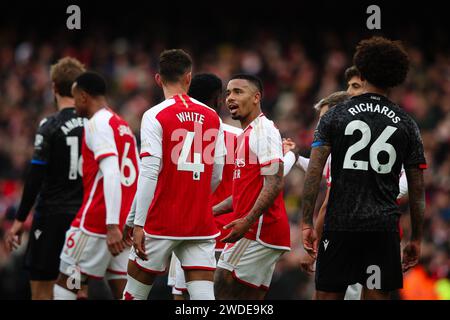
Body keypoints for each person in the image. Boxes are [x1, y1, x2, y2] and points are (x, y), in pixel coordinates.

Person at [300, 36, 427, 300]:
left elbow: (314, 172)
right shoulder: (407, 123)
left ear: (363, 70)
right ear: (396, 77)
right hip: (383, 229)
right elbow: (417, 190)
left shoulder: (335, 115)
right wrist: (416, 237)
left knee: (326, 296)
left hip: (339, 225)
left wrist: (305, 222)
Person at [122, 50, 226, 300]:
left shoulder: (155, 115)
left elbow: (149, 172)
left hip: (160, 222)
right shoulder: (213, 117)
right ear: (189, 78)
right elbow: (217, 173)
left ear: (158, 79)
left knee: (134, 294)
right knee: (203, 299)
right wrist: (196, 197)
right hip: (199, 224)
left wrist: (137, 222)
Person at [4, 57, 86, 300]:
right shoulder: (95, 125)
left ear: (54, 87)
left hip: (50, 219)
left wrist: (20, 220)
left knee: (41, 291)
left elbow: (35, 177)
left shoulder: (49, 125)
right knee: (76, 291)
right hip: (83, 222)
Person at [53, 72, 139, 300]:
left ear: (82, 97)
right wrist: (126, 222)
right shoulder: (122, 126)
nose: (73, 104)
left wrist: (111, 225)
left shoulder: (96, 124)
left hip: (97, 224)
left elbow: (111, 172)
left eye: (74, 98)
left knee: (67, 284)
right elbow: (136, 176)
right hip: (122, 226)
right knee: (123, 290)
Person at [213, 74, 290, 300]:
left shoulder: (262, 131)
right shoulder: (245, 135)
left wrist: (247, 220)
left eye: (238, 92)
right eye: (228, 93)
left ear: (256, 97)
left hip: (257, 231)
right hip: (258, 230)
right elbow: (241, 194)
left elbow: (275, 182)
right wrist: (210, 212)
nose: (230, 98)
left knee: (220, 292)